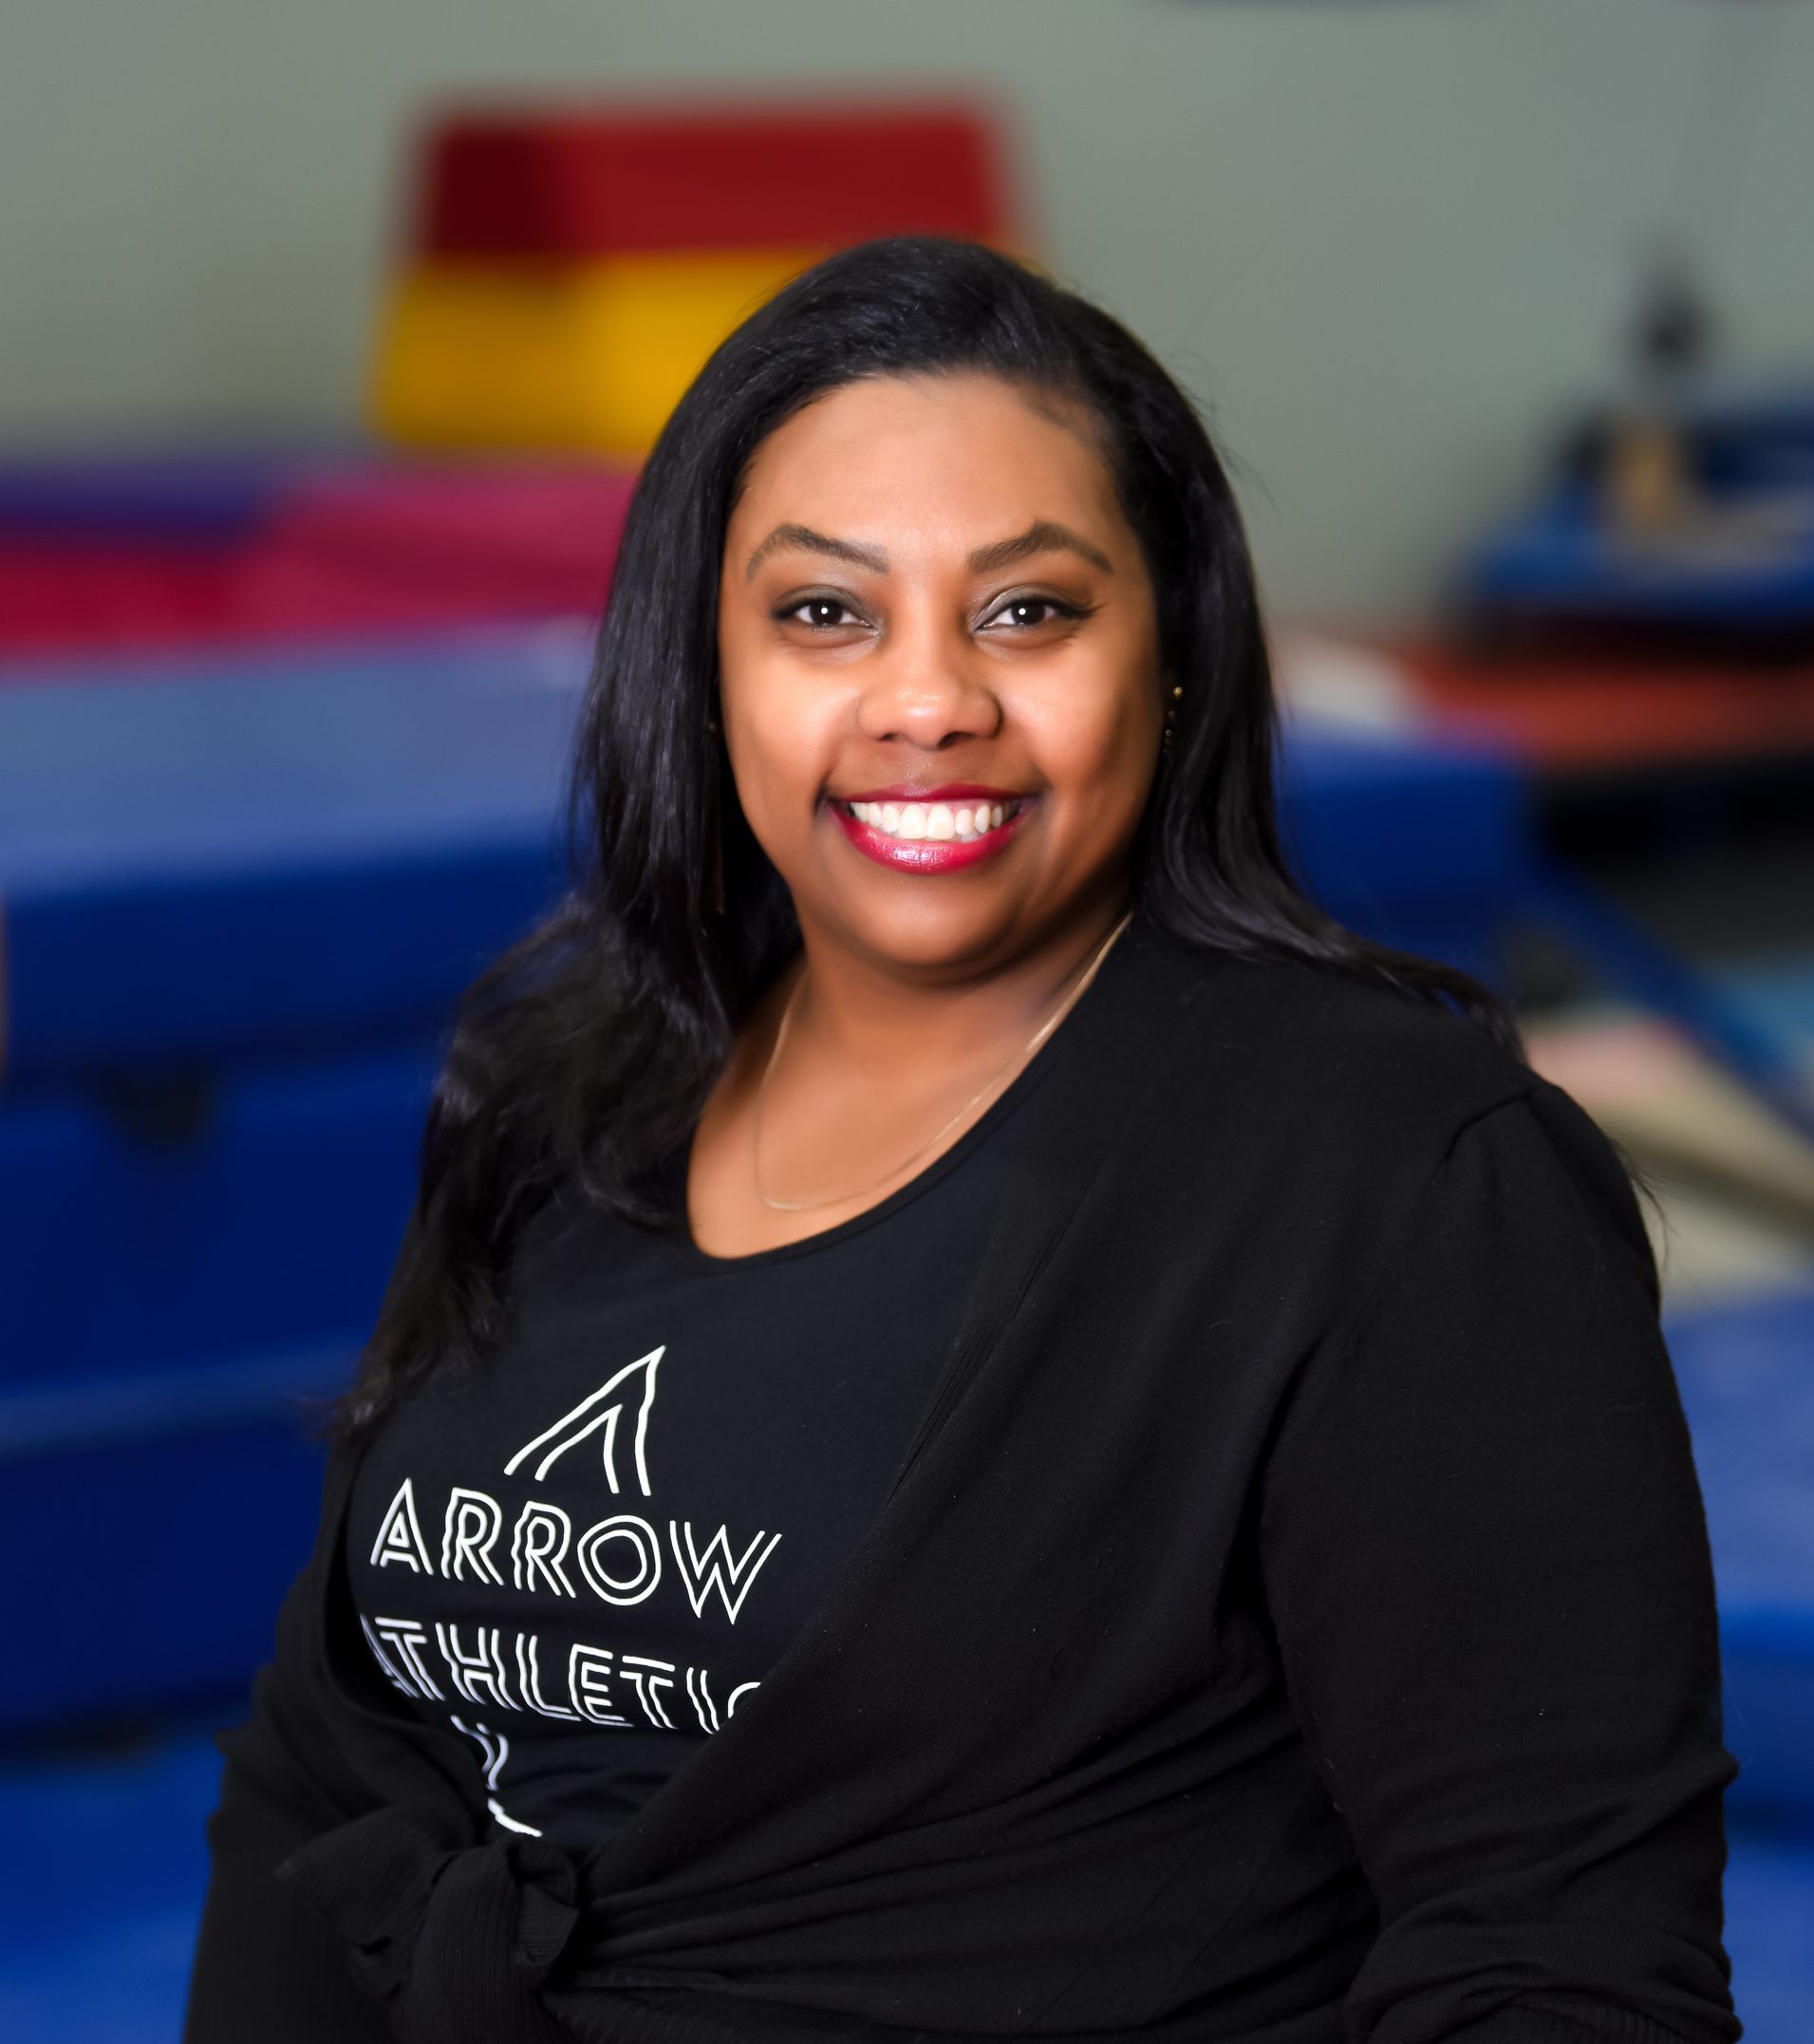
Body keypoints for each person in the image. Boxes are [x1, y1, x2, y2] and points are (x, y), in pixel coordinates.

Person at [184, 236, 1740, 2044]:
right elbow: (326, 1771)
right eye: (825, 612)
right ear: (705, 670)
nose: (929, 700)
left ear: (1173, 659)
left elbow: (1554, 1972)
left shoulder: (1398, 1181)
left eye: (1029, 610)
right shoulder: (566, 1095)